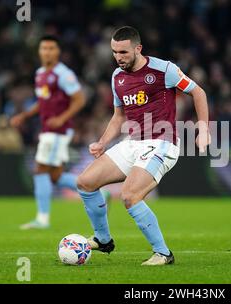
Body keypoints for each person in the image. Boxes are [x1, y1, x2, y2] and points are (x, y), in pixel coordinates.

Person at [76, 26, 210, 266]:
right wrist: (102, 142)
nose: (119, 57)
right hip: (133, 142)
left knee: (129, 195)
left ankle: (163, 254)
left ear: (138, 48)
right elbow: (119, 116)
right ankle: (103, 239)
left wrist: (204, 130)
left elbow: (198, 92)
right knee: (85, 183)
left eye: (124, 52)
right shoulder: (117, 76)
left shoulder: (164, 69)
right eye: (115, 52)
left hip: (162, 143)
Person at [11, 35, 109, 229]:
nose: (47, 52)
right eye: (44, 48)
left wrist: (62, 118)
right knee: (54, 176)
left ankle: (42, 219)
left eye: (51, 48)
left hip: (58, 131)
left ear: (58, 52)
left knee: (40, 170)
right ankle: (99, 192)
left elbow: (79, 99)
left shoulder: (63, 74)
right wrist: (25, 115)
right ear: (39, 51)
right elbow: (43, 101)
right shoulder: (40, 73)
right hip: (49, 129)